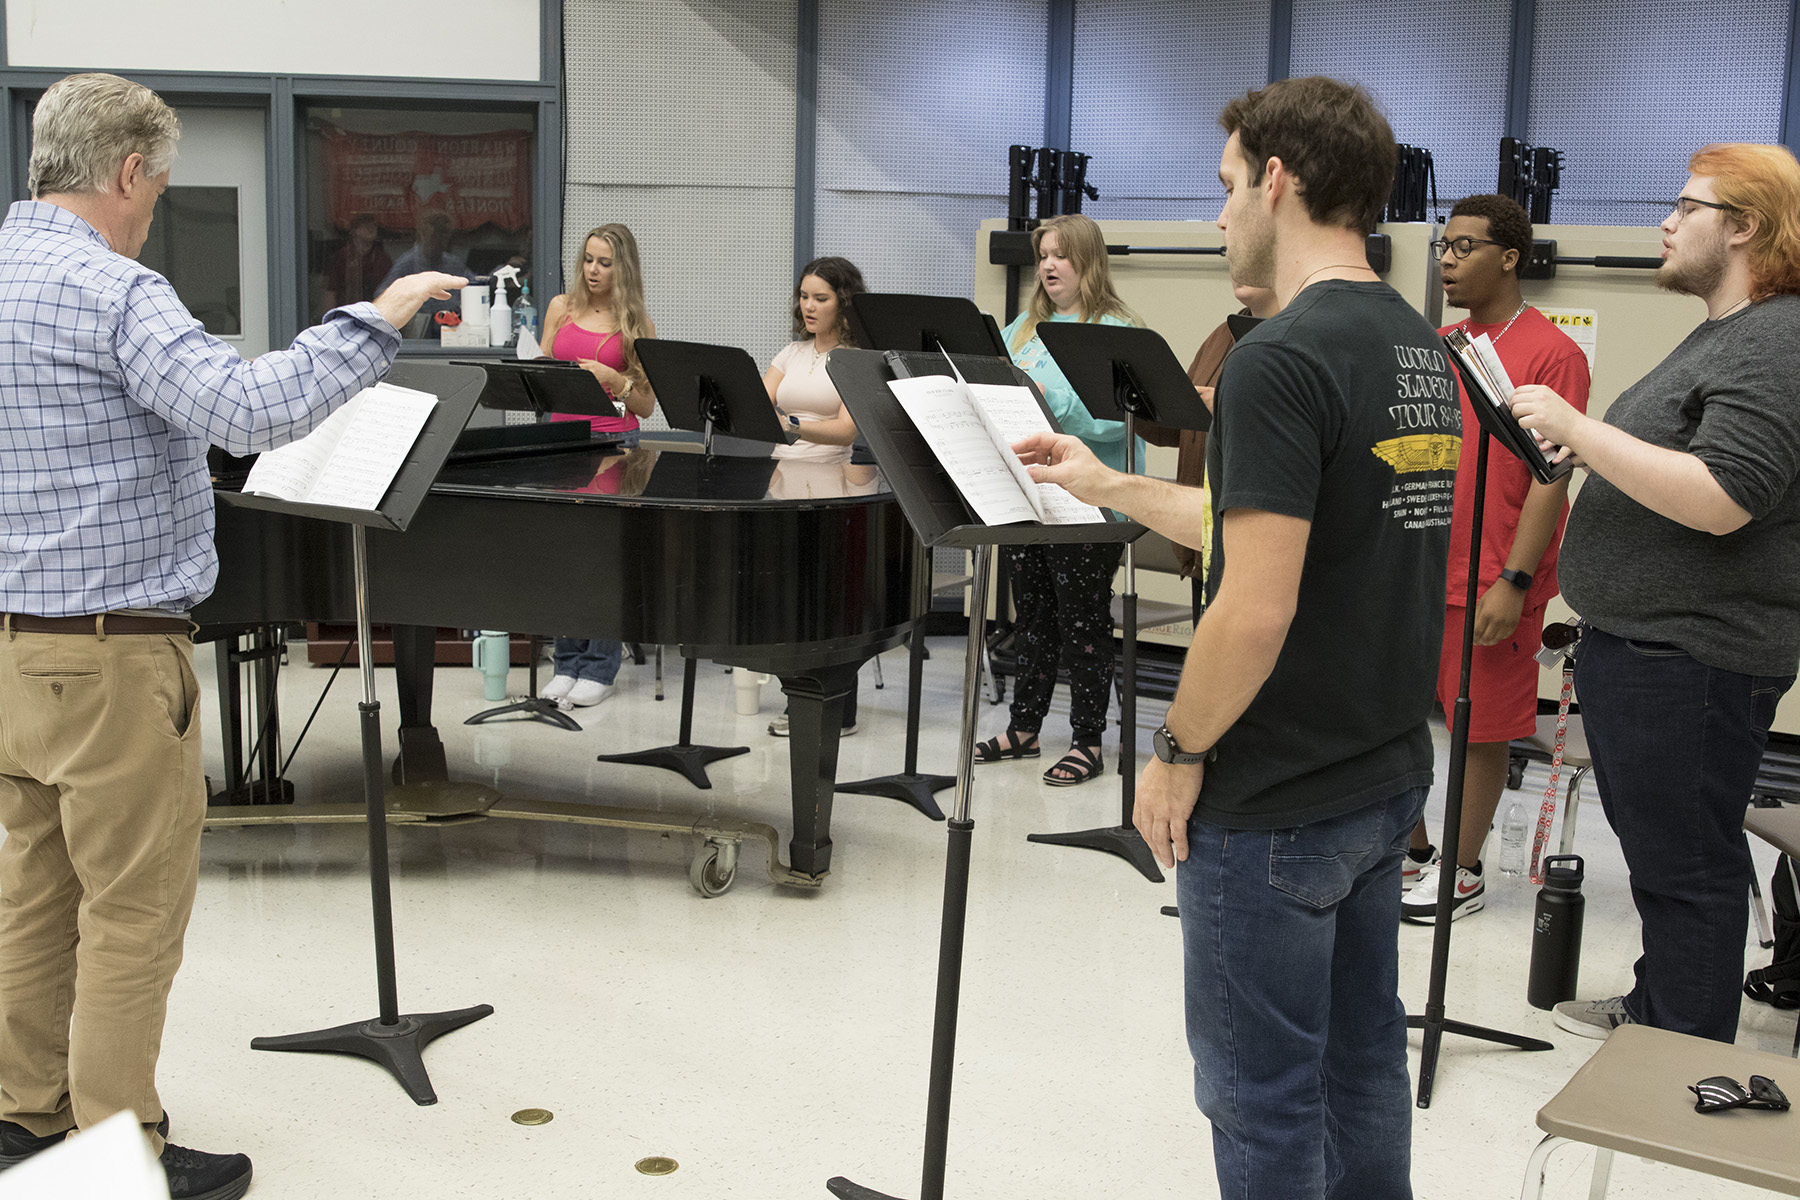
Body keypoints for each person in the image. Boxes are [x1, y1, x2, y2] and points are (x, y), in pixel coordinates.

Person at [0, 72, 462, 1198]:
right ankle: (118, 1154)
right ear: (126, 172)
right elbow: (249, 412)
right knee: (129, 917)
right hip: (110, 657)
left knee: (30, 893)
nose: (156, 203)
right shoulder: (117, 291)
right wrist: (381, 318)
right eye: (158, 181)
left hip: (11, 647)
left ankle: (22, 1120)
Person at [1015, 77, 1456, 1198]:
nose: (1217, 220)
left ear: (1277, 179)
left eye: (1223, 190)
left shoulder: (1275, 354)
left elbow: (1255, 607)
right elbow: (1281, 530)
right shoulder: (1409, 342)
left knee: (1260, 1097)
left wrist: (1177, 752)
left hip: (1276, 803)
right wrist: (1115, 483)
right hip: (1381, 775)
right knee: (1360, 1068)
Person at [1510, 143, 1800, 1043]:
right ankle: (1657, 1010)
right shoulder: (1728, 332)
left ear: (1744, 228)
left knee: (1689, 871)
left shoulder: (1776, 336)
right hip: (1653, 648)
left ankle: (1673, 1065)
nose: (1665, 224)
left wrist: (1577, 429)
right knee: (1666, 861)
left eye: (1686, 207)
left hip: (1693, 656)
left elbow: (1723, 499)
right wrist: (1577, 444)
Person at [1399, 194, 1590, 923]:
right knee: (1396, 715)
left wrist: (1513, 579)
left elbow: (1553, 475)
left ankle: (1463, 867)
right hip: (1425, 564)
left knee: (1479, 730)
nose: (1447, 260)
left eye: (1463, 247)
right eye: (1443, 247)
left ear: (1509, 257)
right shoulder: (1441, 344)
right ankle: (1414, 853)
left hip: (1494, 576)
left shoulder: (1551, 352)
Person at [976, 212, 1140, 786]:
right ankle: (1025, 727)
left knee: (1083, 623)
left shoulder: (1114, 327)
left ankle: (1089, 740)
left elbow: (1122, 423)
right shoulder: (1024, 326)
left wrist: (1053, 406)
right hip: (1032, 497)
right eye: (1043, 254)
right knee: (1036, 617)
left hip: (1089, 502)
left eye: (1061, 254)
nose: (1047, 264)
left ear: (1088, 261)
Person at [536, 223, 658, 708]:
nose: (592, 270)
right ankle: (567, 662)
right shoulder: (560, 309)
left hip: (614, 443)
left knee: (604, 559)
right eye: (588, 259)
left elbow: (647, 405)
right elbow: (542, 372)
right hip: (560, 441)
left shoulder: (636, 324)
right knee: (566, 556)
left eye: (604, 262)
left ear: (622, 267)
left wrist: (613, 378)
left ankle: (600, 666)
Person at [762, 256, 868, 737]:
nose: (808, 306)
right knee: (786, 600)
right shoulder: (790, 353)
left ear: (842, 303)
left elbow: (847, 428)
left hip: (834, 487)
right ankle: (798, 699)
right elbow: (758, 402)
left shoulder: (856, 358)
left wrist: (792, 426)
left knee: (825, 603)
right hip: (782, 483)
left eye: (820, 298)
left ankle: (836, 708)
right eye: (803, 296)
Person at [1137, 281, 1280, 603]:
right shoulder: (1223, 333)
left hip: (1252, 540)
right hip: (1201, 539)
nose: (1237, 269)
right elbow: (1177, 430)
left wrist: (1230, 406)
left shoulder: (1296, 335)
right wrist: (1137, 399)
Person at [374, 208, 471, 331]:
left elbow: (475, 283)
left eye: (444, 236)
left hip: (451, 333)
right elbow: (383, 294)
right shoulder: (408, 263)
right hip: (419, 336)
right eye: (434, 235)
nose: (439, 241)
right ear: (423, 234)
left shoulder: (452, 263)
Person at [322, 212, 391, 312]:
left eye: (374, 226)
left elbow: (389, 293)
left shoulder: (382, 258)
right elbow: (331, 291)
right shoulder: (342, 257)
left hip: (375, 314)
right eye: (366, 226)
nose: (371, 229)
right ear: (354, 231)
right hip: (346, 313)